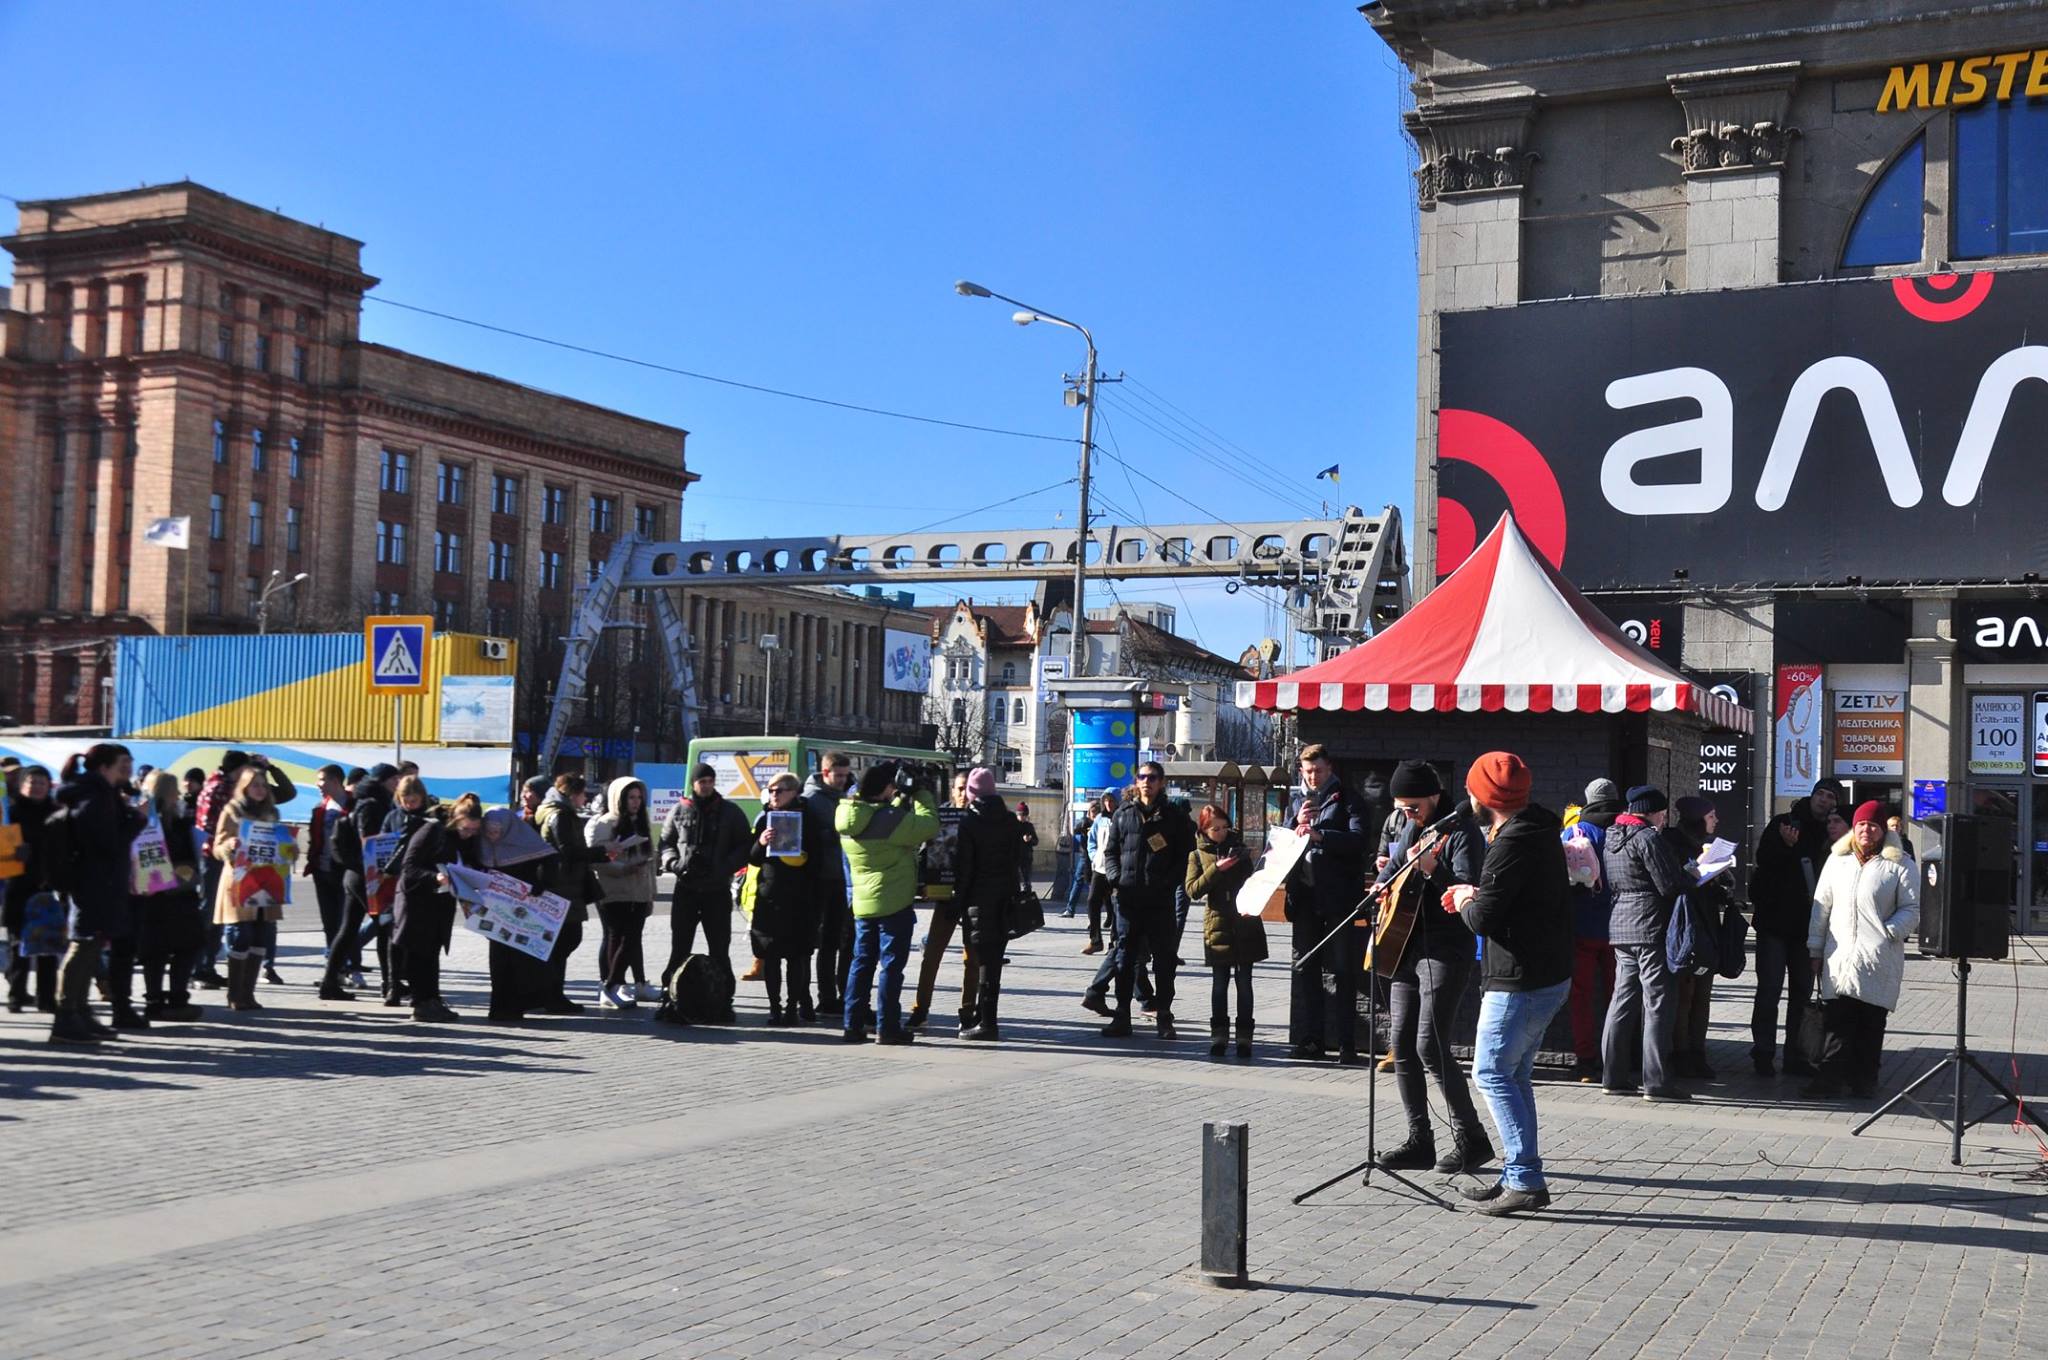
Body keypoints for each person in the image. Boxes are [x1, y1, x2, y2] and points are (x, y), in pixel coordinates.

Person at [1444, 752, 1573, 1216]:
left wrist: (1462, 897)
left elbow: (1483, 919)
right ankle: (1516, 1173)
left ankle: (1525, 1180)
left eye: (1472, 789)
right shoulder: (1537, 828)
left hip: (1520, 980)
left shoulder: (1513, 840)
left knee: (1491, 1074)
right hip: (1545, 974)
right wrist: (1480, 895)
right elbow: (1518, 900)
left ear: (1485, 796)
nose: (1468, 796)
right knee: (1514, 1076)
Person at [1371, 759, 1493, 1174]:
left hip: (1445, 949)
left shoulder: (1461, 833)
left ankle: (1471, 1139)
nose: (1407, 814)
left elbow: (1468, 887)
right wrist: (1380, 885)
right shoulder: (1410, 826)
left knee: (1430, 1044)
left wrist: (1432, 869)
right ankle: (1419, 1139)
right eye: (1402, 807)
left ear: (1435, 797)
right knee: (1400, 1042)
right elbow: (1392, 867)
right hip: (1406, 946)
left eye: (1413, 806)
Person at [1807, 800, 1919, 1099]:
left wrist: (1888, 933)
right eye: (1861, 825)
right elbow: (1821, 908)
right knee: (1837, 1021)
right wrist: (1815, 949)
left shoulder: (1900, 864)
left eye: (1873, 825)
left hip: (1877, 957)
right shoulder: (1837, 860)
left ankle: (1864, 1080)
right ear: (1853, 828)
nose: (1866, 830)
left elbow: (1911, 909)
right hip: (1839, 955)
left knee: (1870, 1022)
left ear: (1882, 830)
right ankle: (1829, 1080)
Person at [47, 745, 149, 1044]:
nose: (129, 768)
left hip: (101, 883)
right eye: (124, 763)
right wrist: (137, 819)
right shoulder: (93, 797)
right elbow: (108, 846)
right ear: (104, 767)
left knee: (91, 947)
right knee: (83, 946)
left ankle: (80, 1011)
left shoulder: (102, 794)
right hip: (93, 884)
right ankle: (66, 1016)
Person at [837, 761, 939, 1044]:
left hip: (863, 903)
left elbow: (879, 814)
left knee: (861, 964)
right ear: (883, 789)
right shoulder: (889, 820)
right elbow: (928, 825)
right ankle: (888, 1027)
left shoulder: (849, 816)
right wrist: (921, 794)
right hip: (893, 902)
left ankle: (852, 1025)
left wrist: (898, 798)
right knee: (891, 967)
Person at [1600, 784, 1691, 1101]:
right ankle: (1657, 1082)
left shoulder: (1612, 838)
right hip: (1650, 927)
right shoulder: (1648, 838)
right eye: (1663, 814)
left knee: (1622, 1000)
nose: (1664, 820)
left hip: (1620, 925)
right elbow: (1669, 885)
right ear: (1653, 812)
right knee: (1657, 1003)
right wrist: (1694, 873)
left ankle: (1612, 1076)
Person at [1283, 744, 1370, 1062]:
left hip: (1338, 899)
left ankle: (1346, 1043)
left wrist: (1321, 836)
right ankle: (1311, 1040)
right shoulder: (1296, 801)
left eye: (1318, 770)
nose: (1313, 776)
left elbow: (1359, 840)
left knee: (1344, 971)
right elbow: (1278, 843)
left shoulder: (1348, 799)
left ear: (1329, 768)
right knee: (1307, 970)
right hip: (1305, 897)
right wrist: (1295, 824)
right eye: (1307, 771)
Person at [1102, 760, 1197, 1040]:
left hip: (1160, 901)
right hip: (1128, 900)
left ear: (1162, 782)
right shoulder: (1124, 813)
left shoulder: (1173, 816)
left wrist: (1167, 883)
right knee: (1125, 959)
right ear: (1136, 781)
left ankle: (1164, 1016)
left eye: (1153, 777)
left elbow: (1185, 857)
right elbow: (1110, 852)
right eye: (1142, 776)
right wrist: (1116, 878)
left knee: (1164, 961)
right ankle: (1122, 1015)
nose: (1147, 781)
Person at [210, 758, 297, 1013]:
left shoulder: (273, 813)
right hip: (240, 881)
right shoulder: (233, 810)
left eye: (263, 785)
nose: (260, 789)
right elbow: (218, 846)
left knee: (262, 935)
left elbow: (282, 848)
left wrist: (289, 849)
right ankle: (234, 994)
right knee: (241, 935)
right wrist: (229, 847)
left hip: (267, 882)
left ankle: (248, 994)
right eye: (255, 785)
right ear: (245, 787)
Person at [657, 763, 751, 993]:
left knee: (719, 949)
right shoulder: (679, 810)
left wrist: (725, 867)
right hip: (686, 888)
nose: (707, 786)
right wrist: (674, 864)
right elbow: (665, 843)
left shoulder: (731, 811)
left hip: (716, 890)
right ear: (693, 784)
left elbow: (743, 846)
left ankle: (724, 997)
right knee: (679, 947)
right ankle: (671, 995)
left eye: (710, 781)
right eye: (702, 782)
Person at [393, 788, 482, 1023]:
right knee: (419, 952)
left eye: (474, 830)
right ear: (455, 820)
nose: (469, 834)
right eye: (466, 829)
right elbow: (409, 867)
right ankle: (422, 1003)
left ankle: (432, 1000)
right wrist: (435, 877)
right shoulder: (432, 830)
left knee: (431, 953)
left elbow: (466, 863)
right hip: (417, 900)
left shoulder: (463, 840)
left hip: (440, 902)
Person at [1186, 803, 1264, 1060]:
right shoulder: (1197, 855)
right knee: (1220, 984)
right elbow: (1193, 890)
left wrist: (1245, 862)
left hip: (1245, 921)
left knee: (1245, 983)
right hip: (1217, 922)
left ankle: (1245, 1038)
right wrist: (1217, 869)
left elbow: (1254, 883)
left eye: (1224, 827)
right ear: (1204, 829)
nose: (1220, 833)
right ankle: (1219, 1035)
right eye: (1215, 829)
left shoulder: (1239, 850)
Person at [953, 768, 1024, 1041]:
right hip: (1005, 900)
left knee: (983, 961)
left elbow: (965, 867)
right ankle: (987, 1019)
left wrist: (958, 901)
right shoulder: (1009, 820)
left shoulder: (969, 822)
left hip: (977, 900)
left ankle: (987, 1023)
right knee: (993, 961)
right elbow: (1017, 860)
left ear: (972, 793)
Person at [747, 772, 824, 1024]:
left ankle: (793, 1007)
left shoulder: (808, 819)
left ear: (794, 792)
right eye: (770, 791)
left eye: (779, 791)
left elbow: (818, 859)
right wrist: (761, 841)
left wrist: (803, 853)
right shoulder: (765, 818)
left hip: (799, 900)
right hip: (770, 899)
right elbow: (753, 858)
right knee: (770, 956)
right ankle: (774, 1008)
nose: (774, 796)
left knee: (797, 956)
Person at [470, 807, 556, 1023]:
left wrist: (540, 884)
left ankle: (519, 1004)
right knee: (498, 959)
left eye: (497, 832)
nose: (493, 837)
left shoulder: (524, 839)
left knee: (520, 959)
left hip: (523, 912)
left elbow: (549, 859)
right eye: (489, 832)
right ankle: (499, 1007)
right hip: (496, 913)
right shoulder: (481, 845)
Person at [1749, 808, 1816, 1078]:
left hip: (1805, 931)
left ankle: (1796, 1055)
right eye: (1821, 794)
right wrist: (1788, 849)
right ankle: (1764, 1052)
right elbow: (1762, 879)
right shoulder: (1780, 833)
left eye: (1830, 796)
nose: (1824, 800)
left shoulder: (1822, 834)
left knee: (1801, 995)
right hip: (1774, 929)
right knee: (1769, 991)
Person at [1562, 779, 1622, 1082]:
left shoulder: (1577, 830)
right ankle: (1617, 1058)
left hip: (1582, 924)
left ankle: (1585, 1061)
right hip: (1620, 927)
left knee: (1581, 996)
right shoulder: (1625, 829)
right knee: (1620, 995)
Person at [910, 770, 978, 1031]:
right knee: (932, 954)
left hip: (972, 895)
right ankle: (920, 1009)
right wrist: (926, 883)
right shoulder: (941, 816)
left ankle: (967, 1011)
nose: (963, 795)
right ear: (952, 791)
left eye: (967, 789)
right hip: (946, 893)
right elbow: (927, 852)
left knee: (971, 958)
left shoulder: (979, 817)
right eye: (959, 789)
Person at [136, 768, 207, 1022]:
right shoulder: (170, 824)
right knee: (185, 945)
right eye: (174, 790)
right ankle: (175, 998)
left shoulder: (144, 820)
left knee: (158, 950)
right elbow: (186, 857)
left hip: (154, 894)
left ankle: (156, 1000)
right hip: (172, 895)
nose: (178, 795)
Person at [323, 764, 396, 1003]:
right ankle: (390, 985)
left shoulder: (366, 800)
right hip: (367, 875)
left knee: (349, 929)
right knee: (385, 927)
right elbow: (370, 841)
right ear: (383, 781)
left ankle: (330, 982)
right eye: (394, 780)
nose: (397, 785)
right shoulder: (372, 804)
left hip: (359, 874)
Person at [1670, 795, 1730, 1079]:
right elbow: (1677, 883)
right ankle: (1681, 1054)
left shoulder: (1700, 845)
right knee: (1686, 995)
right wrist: (1701, 866)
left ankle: (1698, 1053)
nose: (1716, 821)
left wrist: (1721, 881)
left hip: (1706, 928)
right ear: (1697, 819)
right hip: (1685, 929)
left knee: (1702, 995)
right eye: (1711, 816)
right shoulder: (1674, 843)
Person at [588, 776, 658, 1010]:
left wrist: (651, 895)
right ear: (619, 798)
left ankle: (617, 985)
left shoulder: (641, 822)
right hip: (614, 891)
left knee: (631, 939)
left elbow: (650, 862)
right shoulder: (605, 823)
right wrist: (623, 867)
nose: (635, 802)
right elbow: (598, 860)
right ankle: (610, 985)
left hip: (638, 891)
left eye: (639, 797)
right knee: (619, 937)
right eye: (631, 797)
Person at [536, 774, 602, 1013]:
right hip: (561, 885)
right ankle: (551, 995)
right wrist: (601, 852)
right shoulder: (560, 815)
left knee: (563, 941)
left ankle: (552, 993)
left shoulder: (557, 812)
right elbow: (567, 850)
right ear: (573, 793)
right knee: (565, 939)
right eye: (583, 793)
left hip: (564, 884)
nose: (585, 798)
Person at [801, 752, 855, 1018]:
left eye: (846, 776)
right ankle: (823, 996)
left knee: (837, 939)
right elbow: (807, 836)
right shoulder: (811, 800)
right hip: (820, 878)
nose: (843, 781)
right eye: (839, 776)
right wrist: (833, 834)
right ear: (825, 774)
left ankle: (837, 994)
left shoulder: (848, 795)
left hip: (843, 880)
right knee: (821, 941)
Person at [4, 765, 57, 1014]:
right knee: (18, 946)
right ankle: (16, 995)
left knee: (48, 946)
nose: (36, 787)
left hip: (49, 886)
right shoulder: (10, 812)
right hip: (18, 886)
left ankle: (46, 999)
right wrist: (11, 853)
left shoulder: (57, 813)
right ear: (23, 784)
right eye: (32, 782)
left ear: (49, 786)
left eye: (41, 783)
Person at [303, 764, 351, 984]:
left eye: (321, 779)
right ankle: (333, 971)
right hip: (322, 872)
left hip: (346, 874)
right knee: (330, 923)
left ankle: (344, 967)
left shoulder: (354, 805)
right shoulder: (319, 808)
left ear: (335, 781)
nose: (318, 784)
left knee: (346, 923)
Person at [1084, 790, 1118, 954]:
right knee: (1092, 901)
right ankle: (1095, 940)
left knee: (1116, 906)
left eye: (1111, 800)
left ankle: (1114, 942)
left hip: (1116, 869)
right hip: (1100, 867)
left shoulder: (1122, 817)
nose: (1108, 804)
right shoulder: (1099, 819)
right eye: (1106, 801)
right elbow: (1091, 841)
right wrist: (1094, 856)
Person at [1061, 810, 1091, 918]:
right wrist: (1083, 822)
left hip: (1095, 857)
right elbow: (1075, 830)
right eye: (1091, 812)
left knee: (1093, 886)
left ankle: (1091, 915)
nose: (1093, 814)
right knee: (1078, 881)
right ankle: (1070, 909)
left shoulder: (1099, 822)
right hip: (1084, 856)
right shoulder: (1085, 822)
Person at [1015, 801, 1039, 893]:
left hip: (1026, 856)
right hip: (1016, 855)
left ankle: (1027, 896)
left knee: (1026, 879)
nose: (1023, 817)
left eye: (1025, 815)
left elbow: (1036, 841)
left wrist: (1030, 840)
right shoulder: (1013, 825)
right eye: (1021, 815)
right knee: (1015, 879)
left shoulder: (1029, 826)